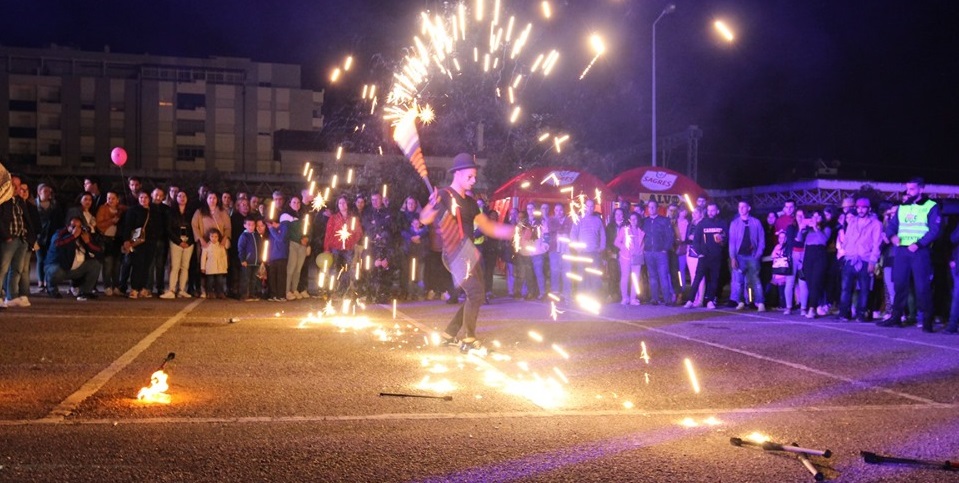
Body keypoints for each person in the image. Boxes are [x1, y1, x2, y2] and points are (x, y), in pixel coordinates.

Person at [420, 153, 514, 353]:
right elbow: (424, 218)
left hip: (469, 253)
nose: (473, 180)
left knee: (476, 295)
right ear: (458, 174)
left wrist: (514, 232)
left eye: (474, 177)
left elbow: (488, 227)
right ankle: (469, 340)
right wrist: (431, 204)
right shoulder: (444, 195)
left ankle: (449, 335)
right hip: (454, 253)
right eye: (470, 176)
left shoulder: (471, 202)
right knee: (475, 292)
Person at [879, 177, 941, 332]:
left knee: (922, 287)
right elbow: (892, 226)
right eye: (907, 189)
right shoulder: (903, 207)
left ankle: (927, 321)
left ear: (921, 189)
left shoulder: (931, 206)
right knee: (899, 285)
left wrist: (919, 244)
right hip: (901, 251)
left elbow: (935, 230)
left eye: (912, 189)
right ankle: (896, 317)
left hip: (919, 251)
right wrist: (892, 236)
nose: (908, 192)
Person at [837, 198, 882, 322]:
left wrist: (873, 261)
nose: (860, 210)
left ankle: (861, 314)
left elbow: (877, 244)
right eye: (858, 208)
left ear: (869, 209)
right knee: (846, 288)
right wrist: (846, 252)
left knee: (864, 289)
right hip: (850, 258)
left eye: (863, 207)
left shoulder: (876, 224)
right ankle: (844, 313)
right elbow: (847, 239)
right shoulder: (852, 222)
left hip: (865, 259)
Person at [44, 217, 102, 300]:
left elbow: (98, 250)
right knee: (56, 271)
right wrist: (73, 236)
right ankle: (52, 289)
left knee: (95, 264)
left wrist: (88, 242)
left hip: (76, 268)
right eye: (74, 226)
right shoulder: (60, 233)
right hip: (59, 267)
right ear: (68, 227)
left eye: (79, 227)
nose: (77, 229)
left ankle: (85, 291)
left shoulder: (83, 235)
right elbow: (58, 244)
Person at [684, 202, 725, 309]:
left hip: (716, 257)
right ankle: (690, 300)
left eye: (713, 210)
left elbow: (726, 239)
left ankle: (710, 301)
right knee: (697, 279)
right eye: (709, 210)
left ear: (717, 211)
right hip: (704, 257)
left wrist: (722, 241)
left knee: (714, 280)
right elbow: (696, 241)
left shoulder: (722, 223)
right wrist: (700, 253)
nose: (710, 212)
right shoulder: (702, 224)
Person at [728, 200, 766, 311]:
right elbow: (732, 242)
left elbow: (761, 240)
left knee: (755, 280)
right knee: (739, 282)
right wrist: (733, 257)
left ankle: (760, 302)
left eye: (743, 207)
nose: (741, 209)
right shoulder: (734, 223)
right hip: (739, 256)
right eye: (739, 207)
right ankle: (741, 302)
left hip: (752, 256)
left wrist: (758, 254)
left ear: (749, 208)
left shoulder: (756, 222)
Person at [160, 191, 195, 299]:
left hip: (188, 242)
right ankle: (171, 289)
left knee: (185, 266)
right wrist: (179, 241)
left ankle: (182, 290)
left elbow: (194, 227)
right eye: (179, 196)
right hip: (176, 241)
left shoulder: (191, 212)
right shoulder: (171, 212)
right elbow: (168, 229)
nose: (182, 198)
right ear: (176, 198)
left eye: (184, 196)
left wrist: (189, 242)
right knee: (175, 266)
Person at [569, 199, 606, 298]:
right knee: (582, 276)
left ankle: (595, 297)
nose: (589, 208)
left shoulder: (598, 220)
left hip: (595, 253)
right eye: (587, 206)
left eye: (591, 206)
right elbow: (573, 235)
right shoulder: (578, 219)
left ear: (594, 208)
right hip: (582, 253)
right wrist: (577, 248)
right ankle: (582, 297)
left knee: (595, 276)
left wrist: (602, 247)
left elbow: (603, 235)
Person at [798, 210, 831, 319]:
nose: (815, 219)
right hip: (808, 256)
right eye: (813, 216)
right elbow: (799, 240)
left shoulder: (826, 228)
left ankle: (812, 308)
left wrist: (816, 228)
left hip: (820, 256)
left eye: (818, 217)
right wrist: (800, 228)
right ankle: (816, 306)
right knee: (809, 283)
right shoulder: (808, 230)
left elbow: (824, 240)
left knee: (816, 282)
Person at [642, 200, 674, 306]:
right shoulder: (645, 221)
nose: (651, 209)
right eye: (649, 207)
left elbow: (670, 235)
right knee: (652, 277)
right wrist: (644, 249)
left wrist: (665, 249)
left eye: (653, 207)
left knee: (663, 276)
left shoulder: (664, 220)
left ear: (657, 208)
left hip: (661, 253)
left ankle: (667, 299)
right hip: (648, 252)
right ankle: (654, 298)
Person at [35, 183, 63, 292]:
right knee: (40, 259)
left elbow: (59, 220)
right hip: (39, 236)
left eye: (49, 192)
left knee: (49, 259)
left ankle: (48, 280)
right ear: (39, 192)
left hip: (51, 235)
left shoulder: (55, 205)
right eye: (45, 191)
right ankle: (41, 281)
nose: (48, 194)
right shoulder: (34, 205)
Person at [95, 192, 122, 296]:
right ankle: (107, 286)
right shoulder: (103, 208)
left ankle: (116, 286)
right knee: (108, 263)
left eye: (113, 198)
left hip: (117, 239)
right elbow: (99, 224)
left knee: (117, 264)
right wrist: (111, 221)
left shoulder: (120, 210)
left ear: (117, 200)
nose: (110, 200)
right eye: (108, 198)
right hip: (106, 238)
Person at [614, 211, 644, 306]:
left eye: (635, 219)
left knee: (635, 278)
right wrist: (624, 248)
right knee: (625, 277)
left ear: (638, 220)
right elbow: (616, 242)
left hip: (637, 257)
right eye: (631, 219)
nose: (633, 221)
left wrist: (640, 251)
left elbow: (642, 244)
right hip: (625, 257)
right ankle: (625, 298)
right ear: (629, 220)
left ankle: (633, 298)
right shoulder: (624, 230)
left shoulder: (641, 231)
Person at [682, 206, 706, 307]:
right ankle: (694, 298)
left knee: (701, 276)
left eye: (696, 213)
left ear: (701, 214)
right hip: (691, 251)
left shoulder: (704, 224)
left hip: (700, 252)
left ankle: (700, 299)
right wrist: (689, 239)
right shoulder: (691, 224)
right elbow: (686, 238)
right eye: (693, 213)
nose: (694, 214)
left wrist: (696, 238)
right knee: (693, 276)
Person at [201, 228, 229, 299]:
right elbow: (203, 258)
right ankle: (210, 292)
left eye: (216, 237)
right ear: (209, 237)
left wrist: (225, 266)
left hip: (220, 267)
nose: (214, 238)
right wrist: (203, 267)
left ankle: (220, 292)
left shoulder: (221, 246)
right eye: (212, 236)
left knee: (220, 281)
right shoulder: (206, 246)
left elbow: (224, 257)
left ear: (218, 237)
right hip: (210, 267)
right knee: (210, 281)